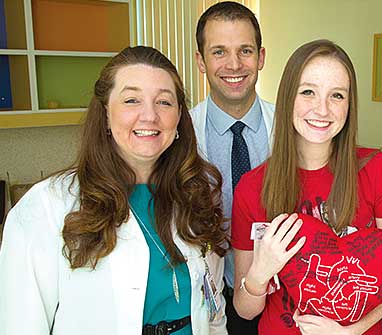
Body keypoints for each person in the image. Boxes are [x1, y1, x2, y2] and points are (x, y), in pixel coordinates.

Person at [0, 46, 228, 335]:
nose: (150, 116)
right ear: (106, 112)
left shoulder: (196, 196)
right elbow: (20, 326)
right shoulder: (47, 206)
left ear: (180, 117)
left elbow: (213, 310)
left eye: (164, 102)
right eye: (132, 100)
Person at [230, 39, 382, 335]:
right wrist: (260, 273)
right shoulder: (253, 187)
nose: (322, 109)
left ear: (349, 105)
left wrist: (348, 332)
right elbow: (244, 308)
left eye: (336, 95)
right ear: (289, 97)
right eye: (308, 92)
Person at [190, 3, 273, 333]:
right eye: (219, 52)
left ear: (261, 57)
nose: (234, 64)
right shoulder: (180, 135)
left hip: (284, 296)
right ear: (201, 61)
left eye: (245, 51)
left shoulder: (293, 128)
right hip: (212, 294)